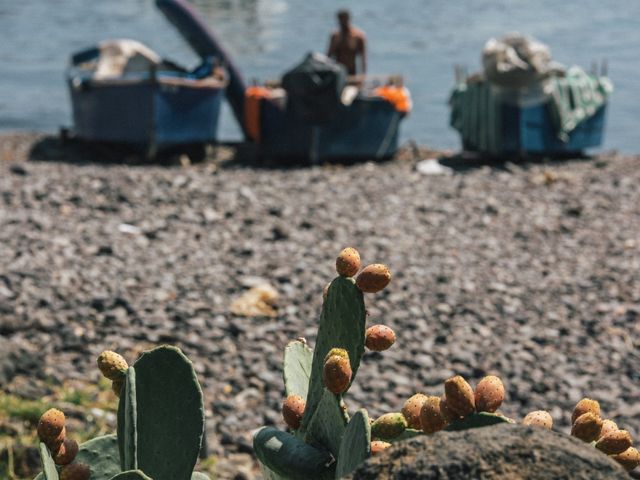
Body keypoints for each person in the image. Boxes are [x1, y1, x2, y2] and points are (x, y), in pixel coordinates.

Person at [327, 9, 367, 76]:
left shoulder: (358, 36)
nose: (342, 23)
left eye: (344, 20)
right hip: (337, 73)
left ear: (349, 19)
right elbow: (328, 57)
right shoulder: (335, 36)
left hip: (352, 73)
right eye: (341, 20)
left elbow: (363, 59)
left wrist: (363, 76)